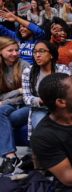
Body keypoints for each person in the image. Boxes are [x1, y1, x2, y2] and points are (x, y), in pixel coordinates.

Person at [22, 40, 71, 138]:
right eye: (35, 52)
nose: (37, 55)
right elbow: (27, 98)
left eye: (41, 51)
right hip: (40, 109)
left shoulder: (62, 69)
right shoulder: (28, 71)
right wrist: (42, 100)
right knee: (44, 131)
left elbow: (68, 92)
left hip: (60, 109)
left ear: (51, 55)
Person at [0, 37, 29, 175]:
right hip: (8, 108)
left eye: (16, 50)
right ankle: (11, 157)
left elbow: (27, 95)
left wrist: (5, 100)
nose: (14, 53)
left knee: (2, 120)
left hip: (26, 107)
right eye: (10, 50)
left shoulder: (24, 66)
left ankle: (9, 159)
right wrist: (17, 91)